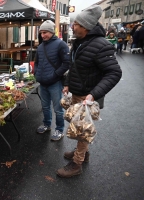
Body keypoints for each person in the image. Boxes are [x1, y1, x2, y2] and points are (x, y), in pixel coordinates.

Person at [57, 5, 122, 178]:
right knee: (79, 127)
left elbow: (114, 72)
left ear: (85, 26)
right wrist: (68, 83)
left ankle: (77, 164)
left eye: (76, 23)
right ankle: (83, 153)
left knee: (83, 131)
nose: (73, 26)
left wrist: (93, 94)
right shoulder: (79, 42)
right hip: (78, 93)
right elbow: (74, 67)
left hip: (89, 96)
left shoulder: (101, 45)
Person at [34, 20, 70, 141]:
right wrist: (36, 73)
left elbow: (67, 63)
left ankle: (59, 130)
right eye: (41, 33)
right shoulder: (40, 47)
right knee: (45, 107)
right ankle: (46, 124)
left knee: (58, 109)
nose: (43, 35)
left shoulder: (61, 44)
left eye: (45, 32)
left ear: (51, 32)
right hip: (43, 83)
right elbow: (37, 63)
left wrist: (55, 74)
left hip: (55, 83)